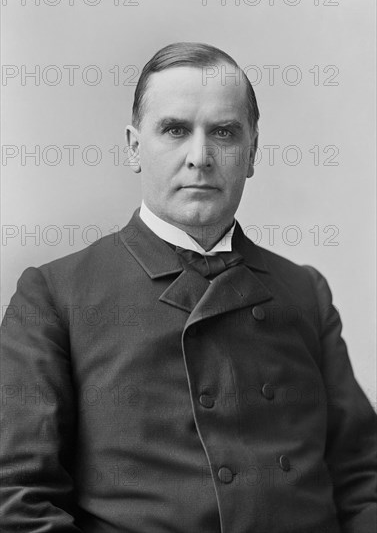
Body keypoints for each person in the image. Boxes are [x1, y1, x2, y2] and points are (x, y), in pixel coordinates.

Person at [1, 42, 376, 533]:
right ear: (135, 147)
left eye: (223, 132)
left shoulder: (305, 292)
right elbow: (18, 499)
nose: (200, 157)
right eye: (175, 130)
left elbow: (363, 477)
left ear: (252, 153)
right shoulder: (54, 294)